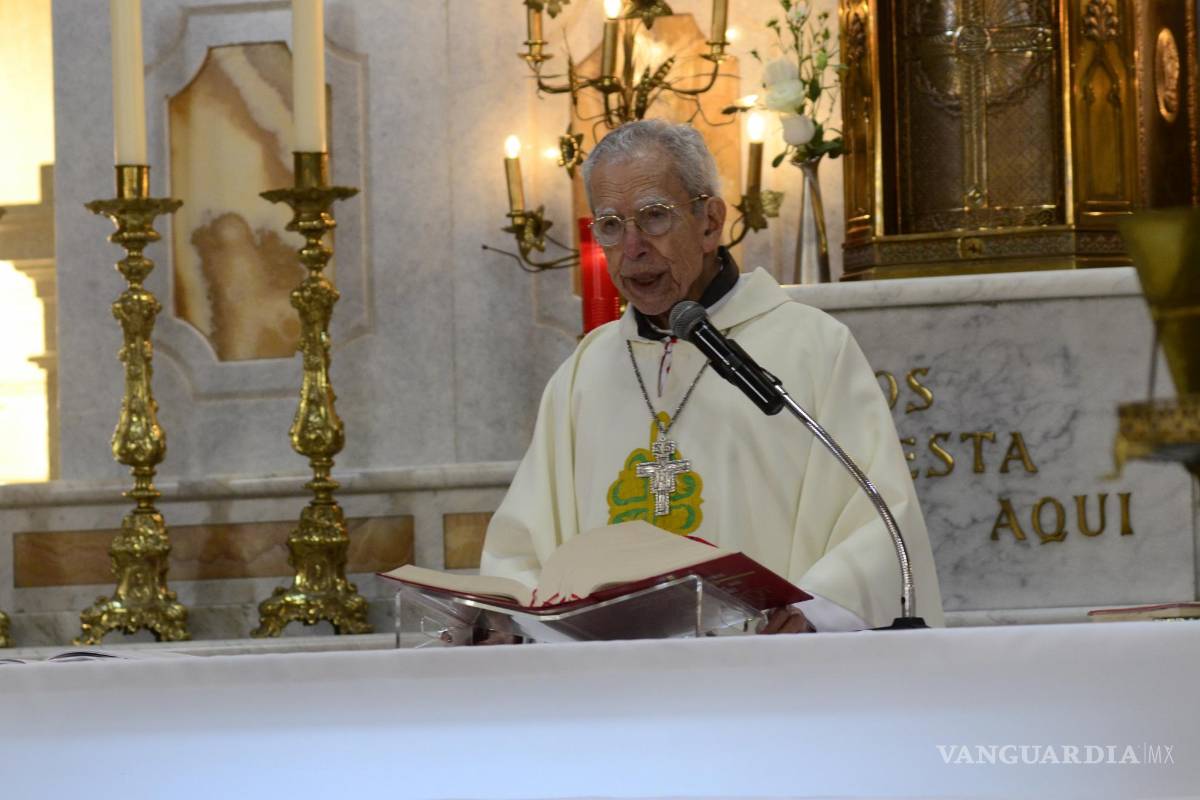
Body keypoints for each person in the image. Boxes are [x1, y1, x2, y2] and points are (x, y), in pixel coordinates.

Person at [480, 119, 943, 632]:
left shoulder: (812, 347)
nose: (632, 247)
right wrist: (510, 624)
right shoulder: (583, 374)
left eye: (654, 217)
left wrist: (816, 616)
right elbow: (521, 550)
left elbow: (877, 519)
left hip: (766, 666)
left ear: (710, 222)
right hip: (615, 674)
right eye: (610, 225)